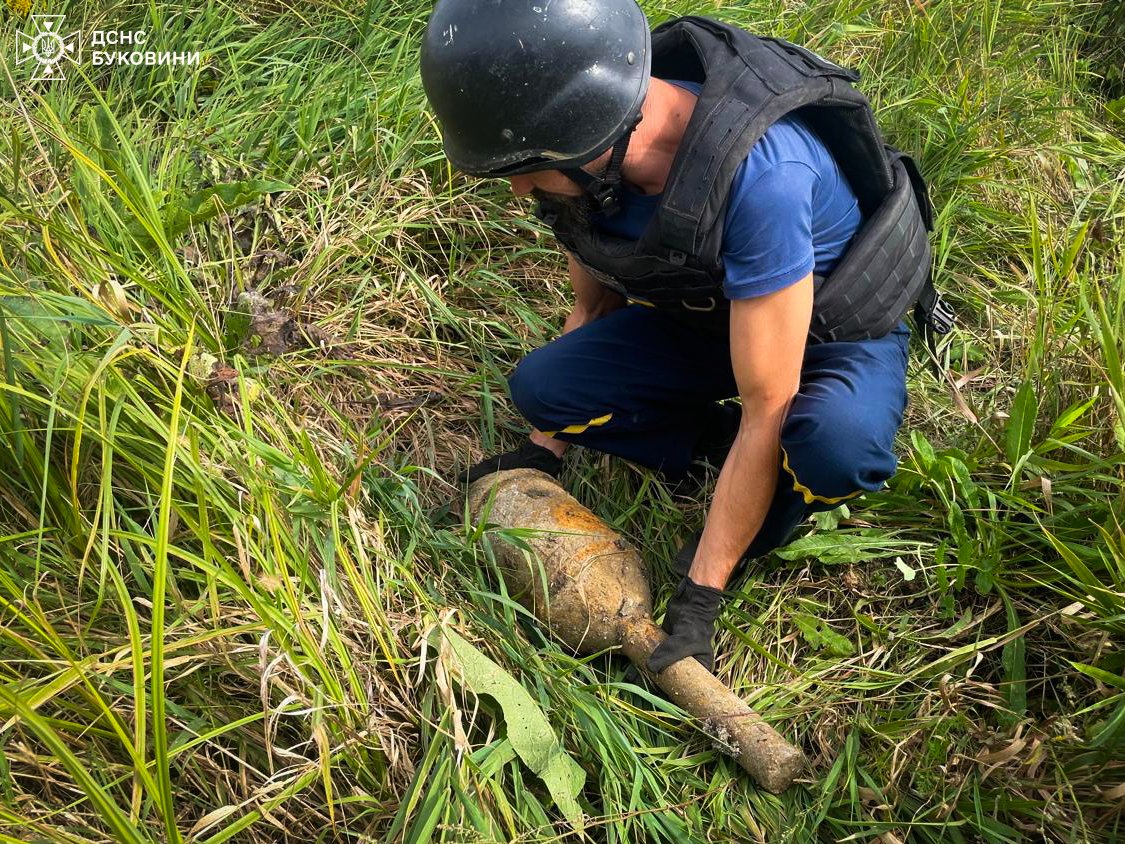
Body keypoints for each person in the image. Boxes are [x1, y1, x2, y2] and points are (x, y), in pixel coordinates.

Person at [420, 0, 950, 674]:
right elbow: (595, 304)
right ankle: (714, 452)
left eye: (526, 165)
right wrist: (541, 451)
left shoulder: (764, 180)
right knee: (543, 388)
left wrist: (700, 594)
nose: (520, 187)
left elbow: (769, 402)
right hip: (709, 314)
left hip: (828, 331)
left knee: (832, 445)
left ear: (593, 131)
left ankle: (772, 504)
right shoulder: (587, 178)